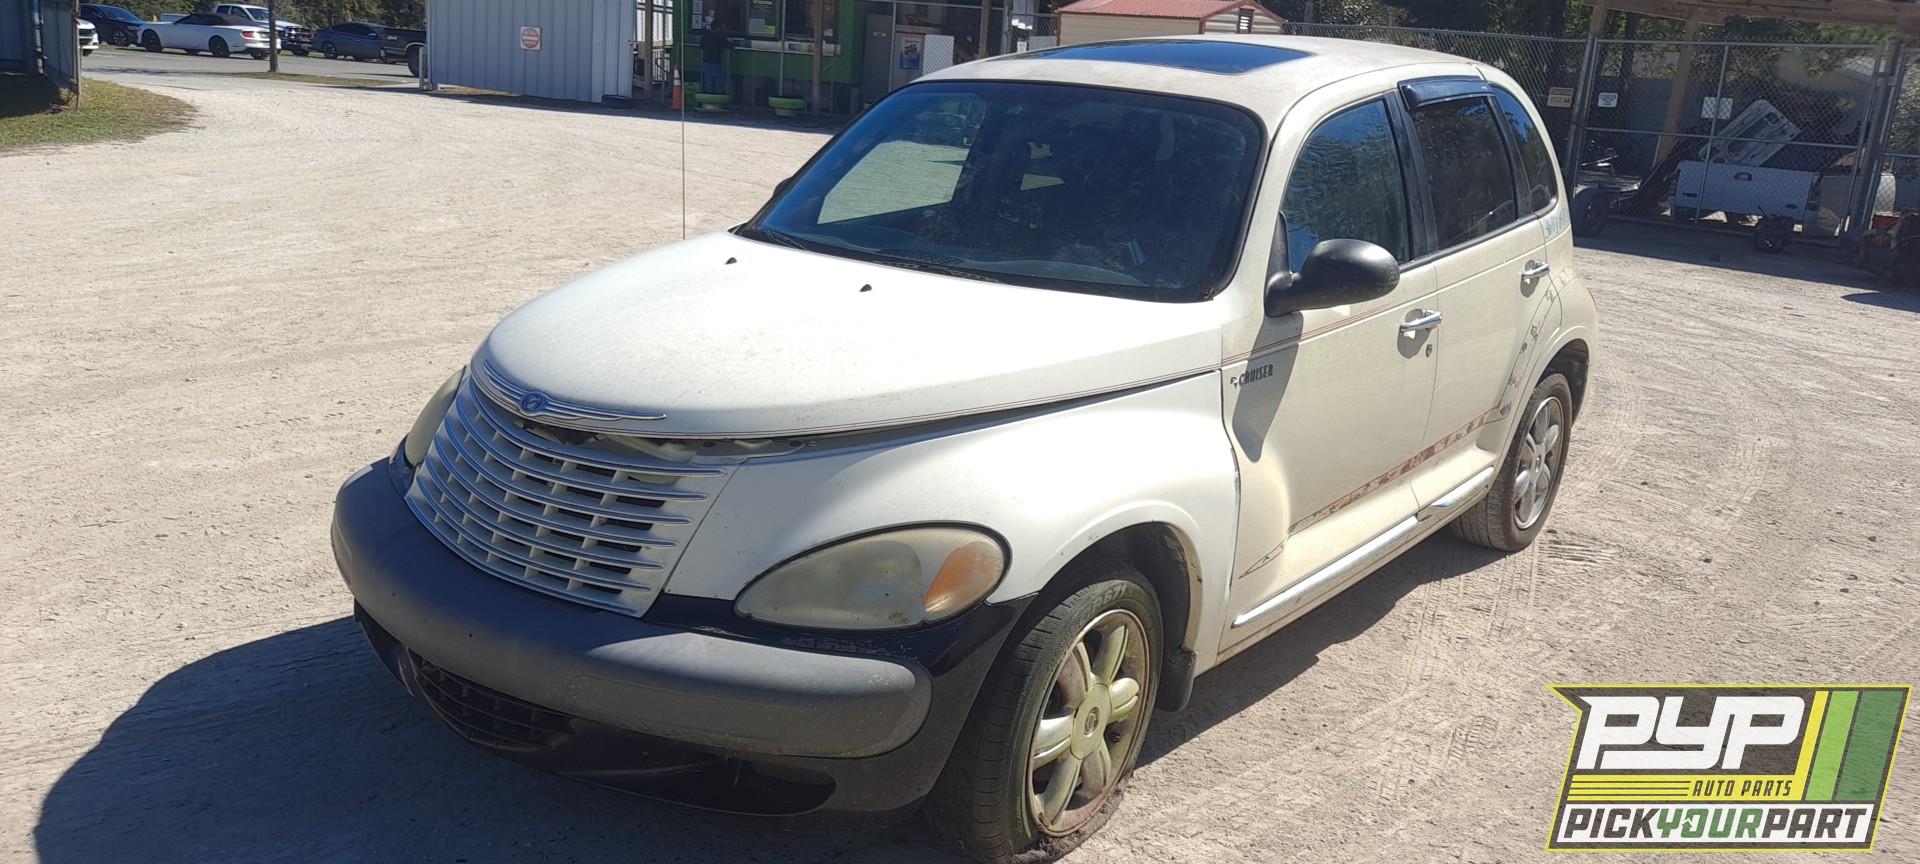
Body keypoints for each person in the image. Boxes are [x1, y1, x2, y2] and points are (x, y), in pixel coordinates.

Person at [700, 13, 735, 95]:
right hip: (716, 61)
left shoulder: (706, 35)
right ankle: (717, 97)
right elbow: (730, 45)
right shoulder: (720, 37)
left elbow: (701, 46)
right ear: (718, 28)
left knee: (708, 81)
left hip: (706, 60)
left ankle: (708, 99)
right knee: (718, 81)